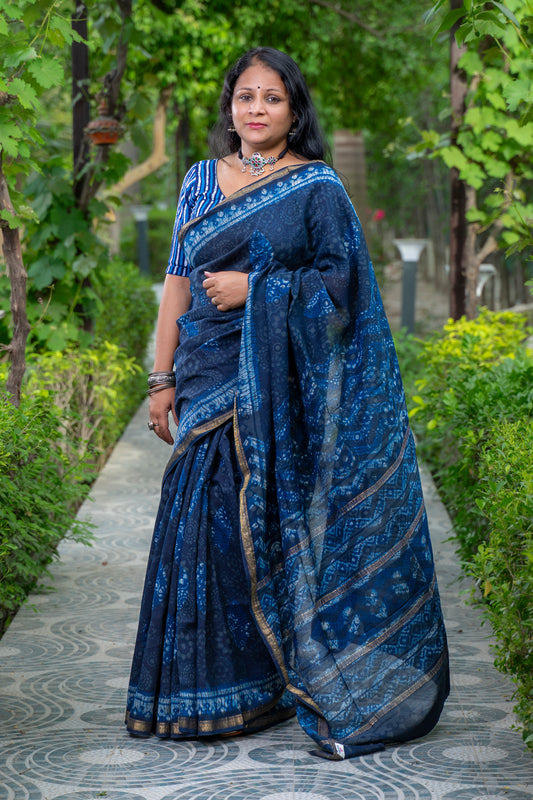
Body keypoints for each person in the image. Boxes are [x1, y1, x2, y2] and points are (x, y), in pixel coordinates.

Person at [125, 46, 449, 760]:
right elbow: (178, 282)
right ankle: (199, 690)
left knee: (270, 520)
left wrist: (257, 289)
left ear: (293, 111)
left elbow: (342, 289)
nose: (256, 110)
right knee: (200, 522)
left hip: (279, 381)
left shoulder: (318, 187)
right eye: (245, 97)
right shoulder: (198, 180)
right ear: (230, 107)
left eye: (271, 98)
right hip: (208, 369)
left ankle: (276, 684)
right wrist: (161, 376)